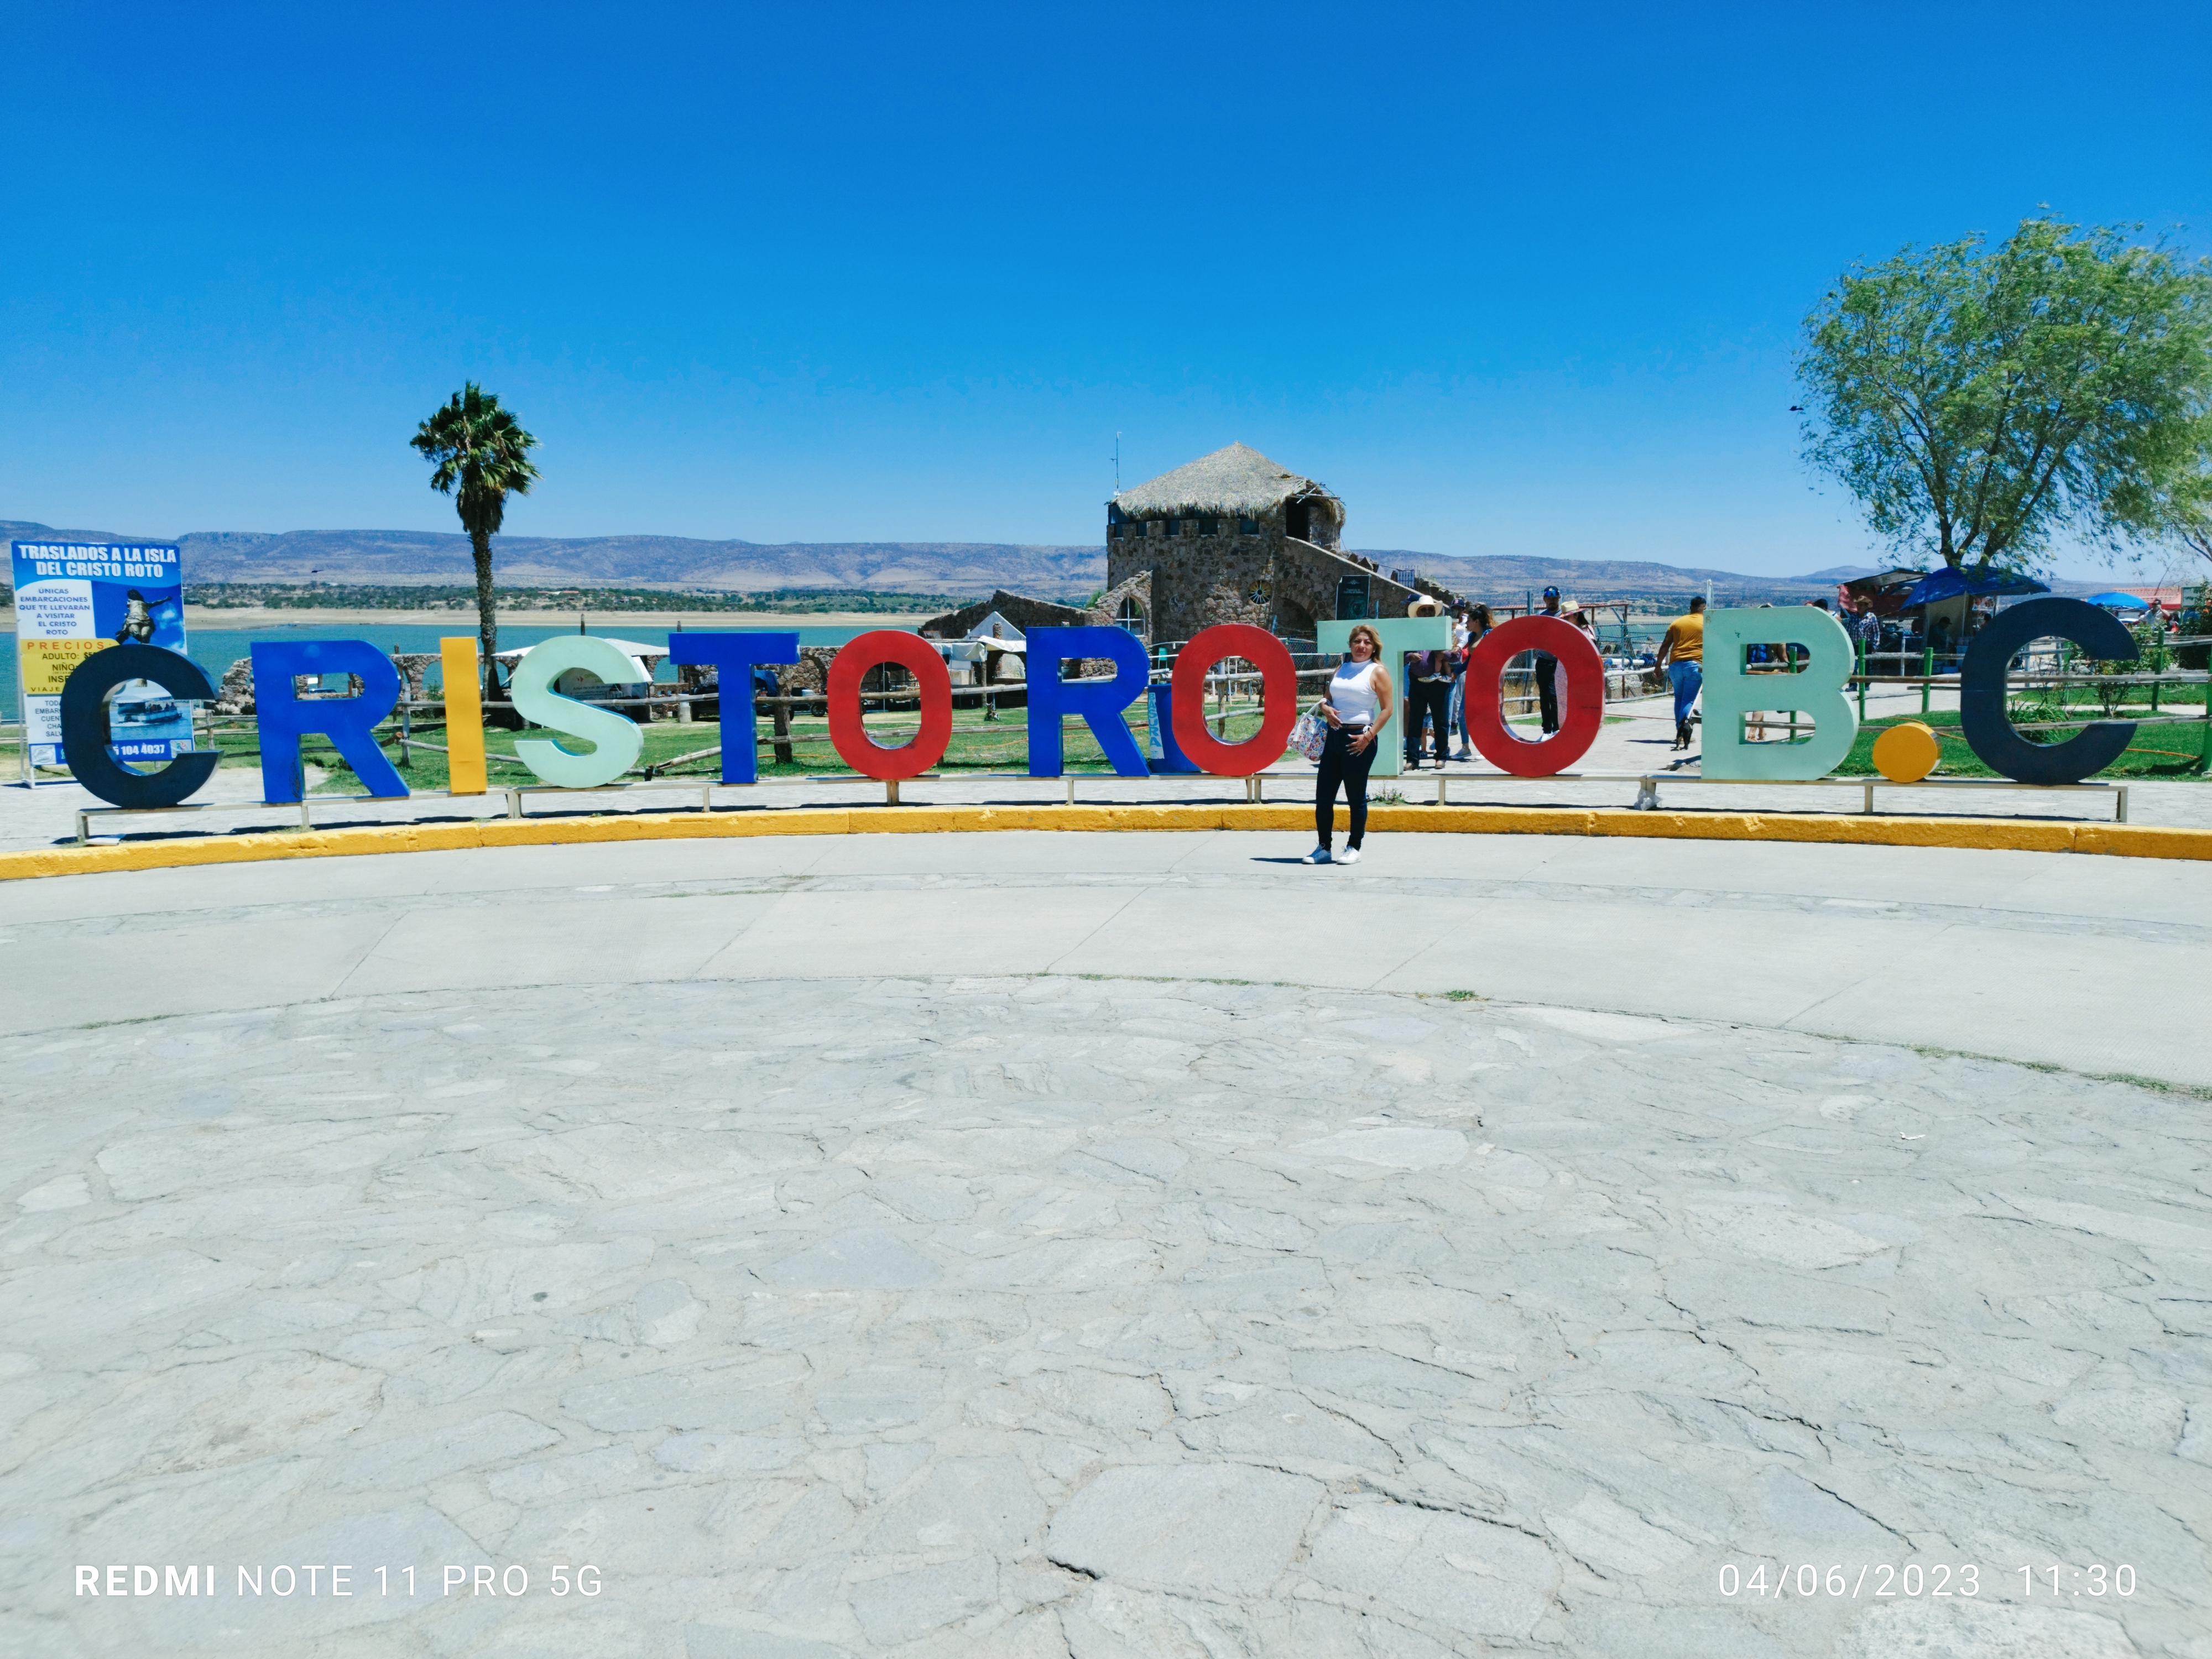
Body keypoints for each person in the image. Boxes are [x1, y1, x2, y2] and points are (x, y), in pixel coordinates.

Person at [1308, 622, 1391, 865]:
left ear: (1374, 646)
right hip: (1333, 738)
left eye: (1367, 642)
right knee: (1324, 797)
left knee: (1356, 797)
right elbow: (1327, 697)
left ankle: (1354, 847)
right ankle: (1324, 848)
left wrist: (1368, 737)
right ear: (1350, 644)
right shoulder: (1341, 668)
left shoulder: (1377, 671)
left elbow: (1388, 710)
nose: (1362, 646)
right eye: (1357, 641)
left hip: (1359, 739)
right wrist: (1324, 707)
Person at [1656, 595, 1705, 751]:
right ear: (1704, 608)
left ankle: (1680, 730)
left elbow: (1665, 645)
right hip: (1695, 665)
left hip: (1676, 665)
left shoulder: (1677, 623)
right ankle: (1684, 734)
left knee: (1679, 698)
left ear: (1690, 608)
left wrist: (1658, 666)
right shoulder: (1707, 623)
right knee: (1689, 701)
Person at [1406, 640, 1453, 770]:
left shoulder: (1441, 633)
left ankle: (1441, 757)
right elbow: (1403, 654)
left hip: (1439, 684)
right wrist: (1410, 656)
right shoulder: (1414, 635)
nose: (1425, 617)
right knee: (1415, 722)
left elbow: (1456, 657)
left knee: (1441, 723)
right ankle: (1412, 760)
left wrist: (1443, 654)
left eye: (1428, 616)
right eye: (1420, 616)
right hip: (1417, 683)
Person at [1532, 586, 1564, 734]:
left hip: (1560, 663)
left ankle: (1557, 728)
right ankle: (1547, 729)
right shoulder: (1541, 616)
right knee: (1544, 695)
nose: (1551, 601)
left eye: (1554, 598)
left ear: (1559, 598)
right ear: (1544, 600)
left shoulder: (1564, 616)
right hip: (1544, 661)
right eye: (1549, 599)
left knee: (1555, 695)